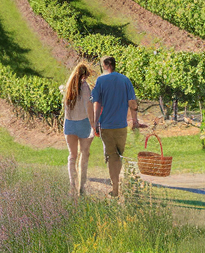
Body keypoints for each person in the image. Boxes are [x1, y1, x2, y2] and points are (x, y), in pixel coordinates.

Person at [91, 55, 143, 198]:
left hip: (106, 126)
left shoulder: (100, 80)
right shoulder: (125, 80)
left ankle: (115, 188)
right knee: (119, 156)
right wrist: (135, 121)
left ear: (106, 65)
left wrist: (95, 123)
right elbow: (132, 103)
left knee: (112, 156)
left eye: (102, 65)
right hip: (121, 126)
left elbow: (97, 103)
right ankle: (120, 184)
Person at [61, 62, 96, 197]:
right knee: (84, 154)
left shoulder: (68, 87)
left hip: (69, 124)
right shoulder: (84, 86)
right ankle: (82, 186)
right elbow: (88, 105)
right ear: (84, 76)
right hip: (83, 123)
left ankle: (72, 186)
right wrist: (93, 123)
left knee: (72, 156)